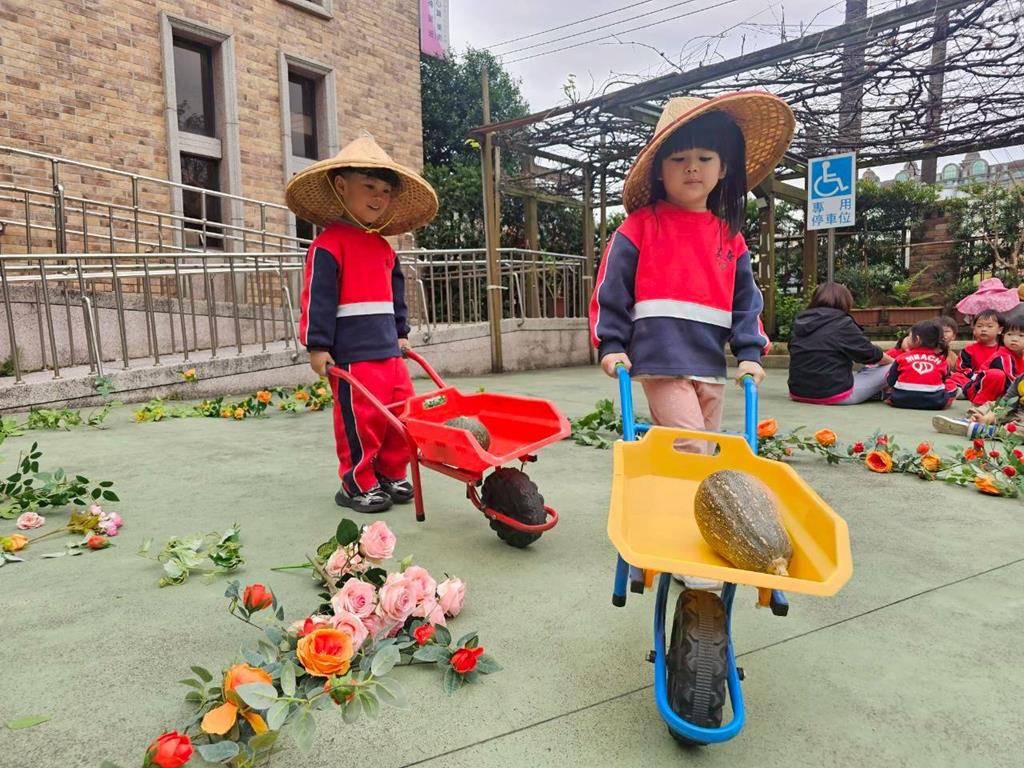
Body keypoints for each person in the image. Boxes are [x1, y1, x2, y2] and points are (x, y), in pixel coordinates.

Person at [589, 92, 794, 449]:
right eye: (679, 158)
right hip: (661, 359)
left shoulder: (730, 238)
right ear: (659, 170)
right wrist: (612, 343)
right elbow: (612, 287)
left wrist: (749, 355)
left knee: (703, 447)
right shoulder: (640, 227)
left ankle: (669, 485)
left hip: (710, 362)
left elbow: (746, 303)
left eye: (705, 158)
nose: (692, 167)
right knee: (692, 446)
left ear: (722, 167)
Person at [287, 133, 438, 513]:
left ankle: (390, 472)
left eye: (385, 191)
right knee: (361, 421)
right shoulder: (328, 245)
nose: (378, 197)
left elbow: (396, 296)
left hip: (389, 351)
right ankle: (357, 482)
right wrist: (318, 346)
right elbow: (317, 298)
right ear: (342, 186)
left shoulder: (385, 248)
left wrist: (401, 333)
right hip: (353, 356)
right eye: (369, 187)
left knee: (401, 414)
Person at [787, 283, 894, 404]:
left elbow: (792, 348)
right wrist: (893, 362)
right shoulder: (842, 323)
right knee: (893, 366)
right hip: (834, 394)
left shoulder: (801, 321)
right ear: (844, 301)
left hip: (797, 393)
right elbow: (870, 354)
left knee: (868, 369)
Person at [883, 320, 956, 410]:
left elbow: (890, 380)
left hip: (899, 400)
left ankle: (890, 399)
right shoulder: (942, 360)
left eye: (909, 337)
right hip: (935, 402)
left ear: (917, 339)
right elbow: (943, 381)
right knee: (953, 386)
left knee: (888, 389)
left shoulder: (901, 357)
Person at [952, 309, 1004, 404]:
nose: (984, 329)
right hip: (974, 381)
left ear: (1000, 330)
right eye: (979, 326)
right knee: (955, 376)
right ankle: (966, 392)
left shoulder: (1004, 350)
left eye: (989, 326)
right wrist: (974, 376)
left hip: (994, 380)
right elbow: (962, 368)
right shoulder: (969, 349)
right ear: (974, 329)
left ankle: (966, 393)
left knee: (998, 376)